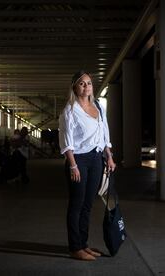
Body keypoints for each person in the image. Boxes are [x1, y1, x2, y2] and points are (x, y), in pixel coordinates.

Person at [59, 70, 116, 261]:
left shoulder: (98, 106)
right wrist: (73, 165)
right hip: (79, 160)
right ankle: (75, 248)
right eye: (82, 83)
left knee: (88, 205)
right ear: (75, 86)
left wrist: (109, 156)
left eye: (89, 83)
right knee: (77, 204)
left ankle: (83, 244)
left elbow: (104, 133)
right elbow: (66, 141)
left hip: (97, 159)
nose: (86, 86)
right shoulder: (70, 110)